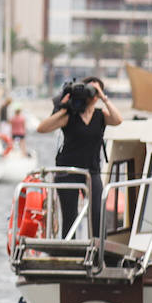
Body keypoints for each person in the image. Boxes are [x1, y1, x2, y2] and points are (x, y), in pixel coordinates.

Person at [36, 76, 122, 237]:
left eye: (94, 92)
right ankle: (69, 250)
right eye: (88, 90)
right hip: (68, 170)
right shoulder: (70, 115)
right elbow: (42, 128)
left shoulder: (100, 115)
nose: (90, 95)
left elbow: (118, 120)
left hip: (92, 170)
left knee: (97, 212)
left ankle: (98, 250)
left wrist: (104, 97)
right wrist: (63, 108)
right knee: (70, 216)